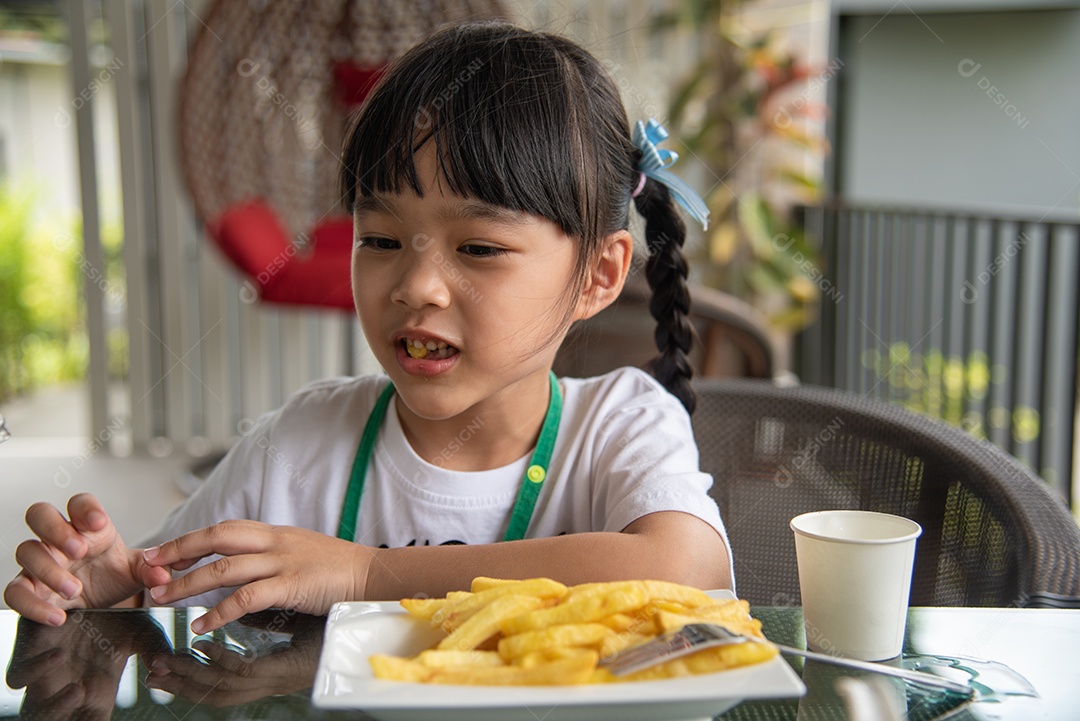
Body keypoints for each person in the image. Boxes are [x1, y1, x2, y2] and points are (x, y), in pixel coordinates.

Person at [5, 21, 732, 634]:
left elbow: (680, 569)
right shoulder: (300, 444)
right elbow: (163, 585)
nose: (415, 285)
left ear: (600, 276)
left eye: (478, 247)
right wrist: (110, 586)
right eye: (381, 239)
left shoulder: (620, 424)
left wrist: (364, 570)